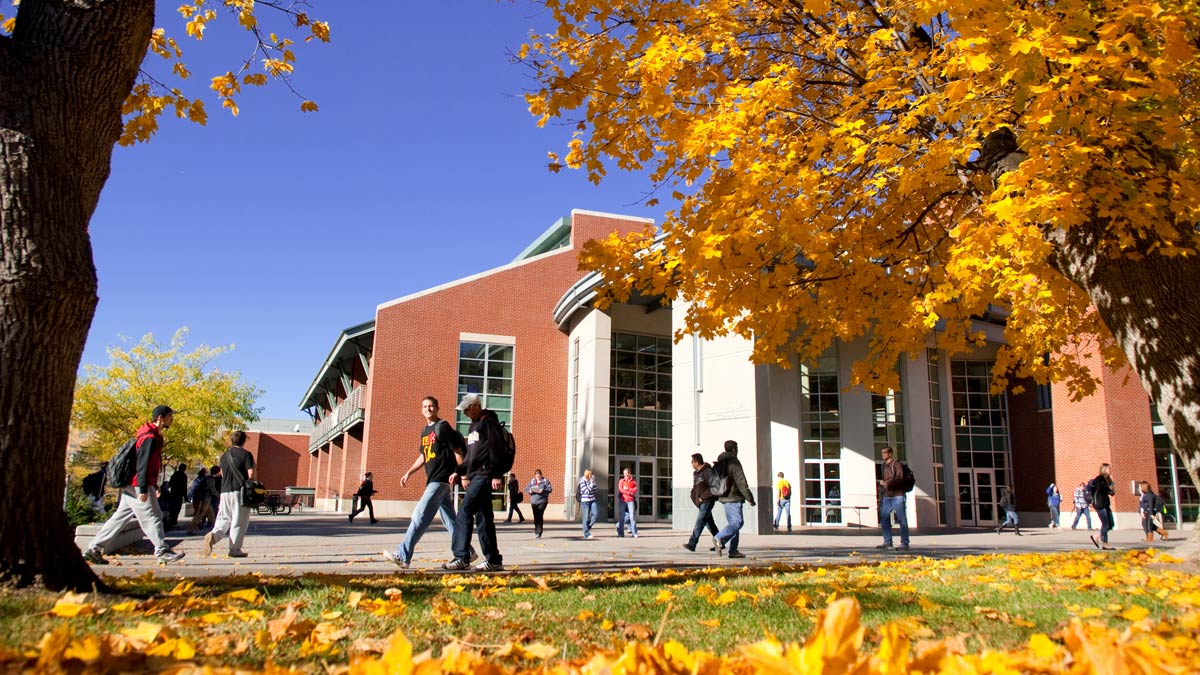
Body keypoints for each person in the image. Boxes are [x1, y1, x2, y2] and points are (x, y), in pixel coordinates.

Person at [82, 406, 185, 565]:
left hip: (133, 484)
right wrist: (143, 487)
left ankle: (93, 549)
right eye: (170, 416)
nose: (172, 419)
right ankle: (162, 551)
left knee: (118, 519)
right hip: (139, 485)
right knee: (153, 517)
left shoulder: (148, 435)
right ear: (160, 418)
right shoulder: (150, 438)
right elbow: (142, 464)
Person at [384, 396, 474, 569]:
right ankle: (467, 551)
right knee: (451, 521)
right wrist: (409, 472)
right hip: (432, 479)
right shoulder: (425, 430)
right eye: (425, 406)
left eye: (431, 406)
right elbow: (423, 456)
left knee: (419, 516)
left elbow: (456, 450)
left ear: (437, 408)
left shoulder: (443, 427)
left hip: (440, 479)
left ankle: (403, 555)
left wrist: (463, 474)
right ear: (421, 410)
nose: (428, 409)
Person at [443, 393, 505, 572]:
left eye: (467, 409)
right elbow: (471, 456)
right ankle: (493, 560)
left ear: (476, 406)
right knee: (484, 518)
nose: (464, 413)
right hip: (476, 474)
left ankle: (462, 556)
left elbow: (496, 449)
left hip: (485, 475)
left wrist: (497, 475)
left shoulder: (488, 422)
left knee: (464, 512)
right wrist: (459, 471)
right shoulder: (473, 426)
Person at [202, 431, 256, 558]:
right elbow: (250, 473)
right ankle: (235, 549)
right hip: (240, 491)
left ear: (232, 441)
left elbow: (223, 473)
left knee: (223, 518)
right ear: (243, 441)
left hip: (225, 491)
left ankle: (214, 536)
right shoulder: (246, 454)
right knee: (239, 520)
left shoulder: (224, 456)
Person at [712, 440, 755, 559]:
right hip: (733, 497)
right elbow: (741, 481)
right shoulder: (733, 462)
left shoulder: (720, 462)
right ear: (734, 450)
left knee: (733, 524)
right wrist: (750, 498)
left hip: (723, 496)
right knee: (738, 522)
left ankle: (733, 551)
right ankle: (719, 538)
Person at [876, 446, 911, 551]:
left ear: (890, 453)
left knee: (901, 519)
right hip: (887, 496)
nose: (883, 455)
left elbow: (900, 479)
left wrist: (887, 483)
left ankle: (905, 543)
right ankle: (887, 541)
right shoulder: (884, 466)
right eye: (882, 453)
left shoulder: (897, 464)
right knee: (883, 518)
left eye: (885, 452)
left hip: (898, 495)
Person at [684, 453, 719, 551]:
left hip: (707, 500)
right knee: (709, 523)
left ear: (697, 462)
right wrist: (693, 496)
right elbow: (695, 487)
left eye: (692, 462)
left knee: (700, 521)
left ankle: (692, 543)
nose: (691, 464)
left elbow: (714, 487)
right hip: (700, 502)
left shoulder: (708, 472)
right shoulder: (696, 473)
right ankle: (720, 542)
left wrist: (702, 497)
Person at [1089, 463, 1117, 550]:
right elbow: (1100, 489)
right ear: (1104, 469)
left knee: (1111, 524)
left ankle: (1096, 536)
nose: (1110, 470)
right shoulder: (1099, 479)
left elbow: (1108, 491)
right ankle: (1105, 543)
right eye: (1109, 469)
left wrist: (1111, 491)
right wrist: (1108, 489)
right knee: (1105, 523)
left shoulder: (1108, 479)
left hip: (1105, 503)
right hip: (1100, 504)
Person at [188, 467, 218, 533]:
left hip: (205, 498)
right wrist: (218, 496)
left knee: (211, 514)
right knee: (200, 514)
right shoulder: (211, 479)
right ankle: (192, 528)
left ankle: (217, 528)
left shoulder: (207, 477)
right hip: (205, 498)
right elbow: (212, 489)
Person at [527, 469, 552, 538]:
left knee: (539, 514)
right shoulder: (532, 481)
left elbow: (550, 489)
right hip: (534, 501)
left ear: (541, 475)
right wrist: (530, 491)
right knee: (536, 516)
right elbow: (527, 488)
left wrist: (543, 490)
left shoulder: (545, 481)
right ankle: (537, 530)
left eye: (539, 475)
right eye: (536, 475)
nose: (537, 476)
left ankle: (539, 531)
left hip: (542, 501)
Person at [616, 467, 639, 537]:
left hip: (630, 501)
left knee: (632, 517)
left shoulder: (633, 482)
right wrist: (629, 493)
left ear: (629, 473)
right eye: (624, 473)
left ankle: (634, 533)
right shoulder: (621, 481)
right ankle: (621, 533)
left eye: (626, 473)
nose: (625, 475)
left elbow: (635, 490)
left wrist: (628, 489)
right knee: (622, 517)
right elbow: (621, 489)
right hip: (622, 501)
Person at [166, 463, 188, 530]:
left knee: (172, 509)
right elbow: (184, 487)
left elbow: (170, 484)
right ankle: (174, 522)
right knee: (177, 509)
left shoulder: (174, 475)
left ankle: (171, 523)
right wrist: (185, 496)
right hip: (179, 495)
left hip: (173, 494)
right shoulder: (183, 476)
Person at [578, 468, 598, 539]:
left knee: (595, 514)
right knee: (586, 517)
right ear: (587, 474)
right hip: (585, 500)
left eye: (591, 474)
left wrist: (594, 483)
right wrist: (591, 484)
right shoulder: (582, 480)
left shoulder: (591, 480)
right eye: (590, 474)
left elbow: (595, 490)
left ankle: (587, 527)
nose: (591, 475)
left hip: (592, 499)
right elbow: (586, 491)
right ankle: (586, 533)